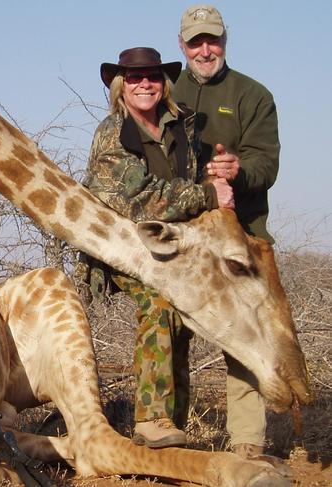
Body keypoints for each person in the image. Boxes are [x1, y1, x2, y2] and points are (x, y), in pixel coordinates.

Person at [76, 47, 234, 448]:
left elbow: (194, 176)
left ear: (163, 83)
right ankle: (152, 419)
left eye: (151, 76)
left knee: (181, 319)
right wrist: (207, 196)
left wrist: (220, 173)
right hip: (120, 246)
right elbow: (138, 198)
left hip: (167, 247)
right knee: (159, 305)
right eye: (133, 78)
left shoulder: (182, 128)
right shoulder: (112, 132)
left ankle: (173, 427)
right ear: (121, 87)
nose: (143, 84)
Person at [172, 4, 280, 458]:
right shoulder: (163, 87)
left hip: (240, 233)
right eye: (196, 41)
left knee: (243, 334)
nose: (204, 49)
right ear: (182, 44)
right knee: (170, 330)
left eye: (212, 39)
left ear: (224, 41)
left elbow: (266, 163)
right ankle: (169, 430)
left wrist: (239, 169)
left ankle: (247, 440)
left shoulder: (252, 94)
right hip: (183, 237)